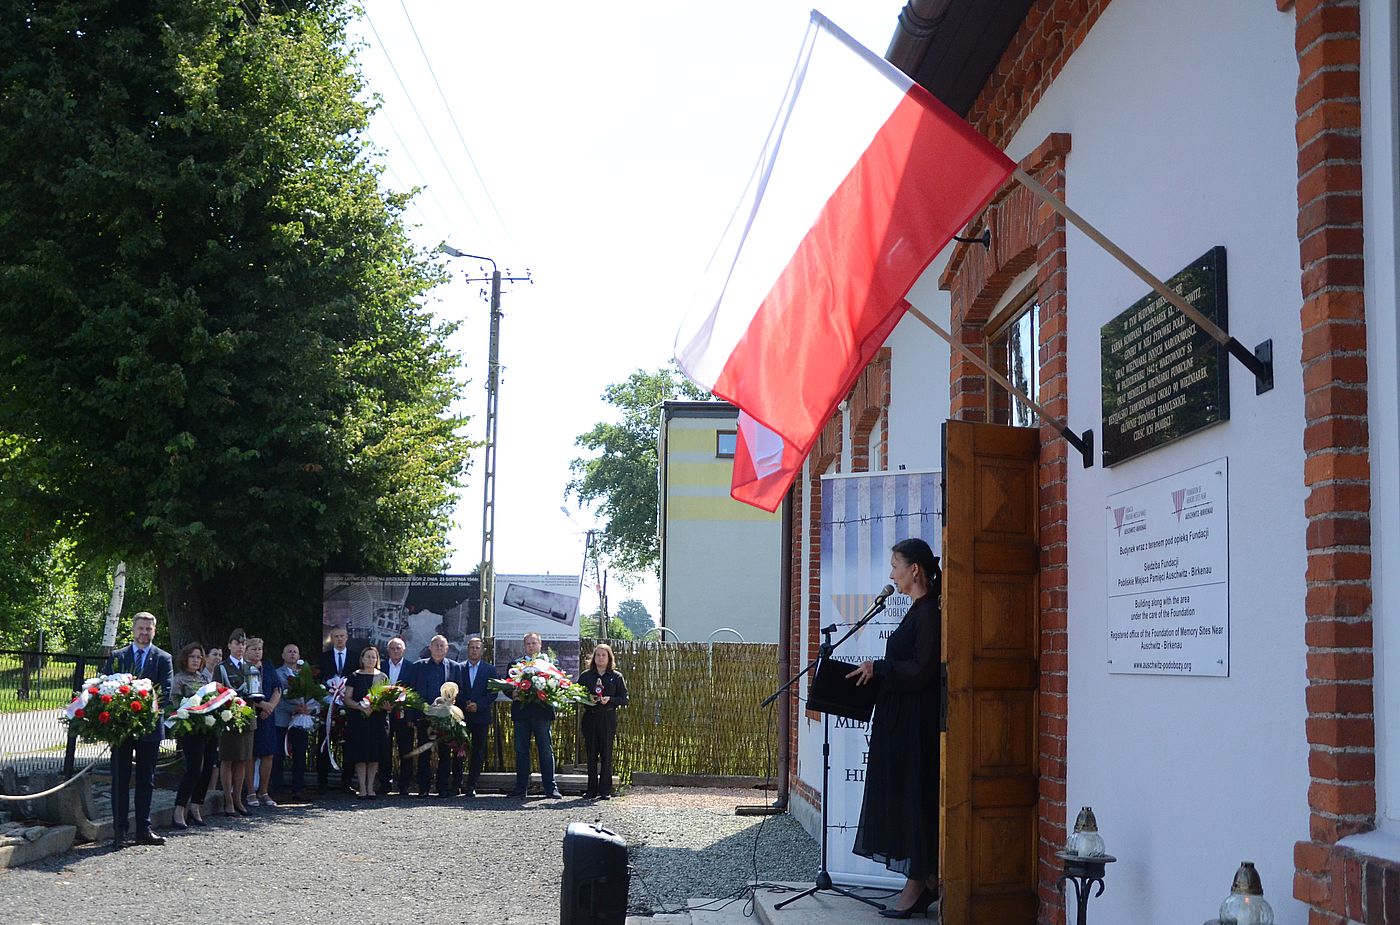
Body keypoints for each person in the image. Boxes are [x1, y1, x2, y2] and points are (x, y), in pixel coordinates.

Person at [847, 538, 942, 919]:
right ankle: (923, 879)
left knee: (915, 797)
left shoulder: (929, 611)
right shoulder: (917, 609)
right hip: (901, 720)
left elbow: (922, 669)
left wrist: (880, 667)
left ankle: (921, 881)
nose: (891, 574)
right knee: (903, 796)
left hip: (916, 725)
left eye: (895, 565)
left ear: (914, 569)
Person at [103, 611, 173, 849]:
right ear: (133, 630)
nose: (144, 633)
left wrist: (144, 711)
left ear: (154, 631)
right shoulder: (118, 656)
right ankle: (120, 831)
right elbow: (105, 687)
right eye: (141, 628)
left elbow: (165, 691)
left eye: (148, 629)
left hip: (150, 728)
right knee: (120, 779)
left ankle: (144, 829)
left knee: (146, 780)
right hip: (121, 729)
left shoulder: (163, 658)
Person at [509, 632, 561, 799]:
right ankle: (520, 788)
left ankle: (551, 788)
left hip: (542, 713)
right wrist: (513, 693)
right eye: (528, 644)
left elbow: (558, 684)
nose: (531, 646)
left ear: (540, 644)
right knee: (521, 751)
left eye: (534, 643)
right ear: (524, 646)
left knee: (545, 751)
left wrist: (548, 691)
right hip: (522, 714)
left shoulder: (549, 664)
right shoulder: (516, 664)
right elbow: (508, 685)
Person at [170, 642, 216, 829]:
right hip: (190, 729)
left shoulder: (204, 678)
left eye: (199, 657)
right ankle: (179, 808)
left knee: (208, 768)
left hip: (209, 728)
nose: (196, 660)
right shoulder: (178, 679)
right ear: (185, 658)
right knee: (194, 769)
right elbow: (174, 702)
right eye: (192, 657)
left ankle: (196, 806)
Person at [407, 634, 459, 798]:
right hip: (424, 717)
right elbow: (411, 692)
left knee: (445, 754)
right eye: (436, 645)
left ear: (447, 648)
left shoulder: (455, 667)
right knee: (424, 753)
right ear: (430, 648)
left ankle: (443, 787)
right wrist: (411, 716)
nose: (439, 648)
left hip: (446, 718)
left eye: (442, 645)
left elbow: (460, 690)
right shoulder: (418, 666)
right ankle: (423, 788)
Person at [578, 642, 628, 800]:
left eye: (603, 655)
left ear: (609, 658)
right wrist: (588, 698)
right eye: (598, 655)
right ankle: (591, 789)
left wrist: (610, 699)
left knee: (606, 753)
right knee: (591, 753)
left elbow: (624, 699)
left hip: (607, 717)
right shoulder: (586, 676)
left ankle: (605, 790)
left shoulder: (616, 677)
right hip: (590, 717)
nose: (600, 658)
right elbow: (576, 695)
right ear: (593, 657)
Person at [215, 629, 255, 817]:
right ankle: (228, 800)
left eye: (243, 644)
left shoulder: (250, 668)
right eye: (237, 643)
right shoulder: (222, 668)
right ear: (229, 645)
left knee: (242, 760)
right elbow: (216, 693)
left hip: (247, 718)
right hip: (229, 718)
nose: (240, 647)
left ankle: (238, 799)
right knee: (228, 759)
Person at [453, 636, 496, 798]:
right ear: (467, 649)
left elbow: (492, 693)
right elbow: (454, 690)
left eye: (477, 648)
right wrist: (465, 703)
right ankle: (456, 784)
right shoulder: (459, 668)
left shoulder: (489, 669)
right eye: (472, 647)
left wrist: (478, 705)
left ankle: (472, 785)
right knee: (459, 751)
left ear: (482, 651)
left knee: (478, 752)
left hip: (481, 716)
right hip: (461, 716)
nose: (474, 650)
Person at [343, 645, 388, 800]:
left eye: (373, 657)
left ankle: (370, 787)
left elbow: (386, 699)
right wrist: (360, 707)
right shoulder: (354, 676)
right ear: (362, 659)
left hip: (377, 720)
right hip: (359, 720)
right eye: (367, 656)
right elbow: (347, 699)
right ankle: (362, 787)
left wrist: (383, 706)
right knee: (360, 754)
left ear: (377, 660)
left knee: (374, 755)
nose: (370, 659)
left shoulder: (382, 677)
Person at [244, 637, 283, 808]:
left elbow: (277, 688)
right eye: (253, 649)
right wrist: (262, 705)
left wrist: (270, 707)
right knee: (251, 755)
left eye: (259, 649)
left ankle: (264, 791)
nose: (257, 652)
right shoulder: (244, 668)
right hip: (250, 714)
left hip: (268, 716)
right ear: (246, 651)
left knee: (268, 754)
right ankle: (250, 792)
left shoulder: (268, 667)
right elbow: (244, 692)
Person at [316, 626, 355, 794]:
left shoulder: (355, 657)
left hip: (347, 706)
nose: (339, 639)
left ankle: (346, 782)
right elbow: (318, 680)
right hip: (328, 706)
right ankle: (322, 782)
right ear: (332, 638)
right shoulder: (323, 658)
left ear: (347, 637)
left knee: (349, 744)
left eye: (342, 636)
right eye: (336, 636)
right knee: (324, 743)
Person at [378, 637, 416, 796]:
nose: (395, 651)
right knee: (383, 750)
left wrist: (411, 717)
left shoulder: (411, 668)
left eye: (398, 648)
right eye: (392, 648)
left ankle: (404, 785)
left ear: (404, 650)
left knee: (405, 750)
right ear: (388, 651)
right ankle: (384, 783)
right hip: (383, 714)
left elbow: (414, 692)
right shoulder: (380, 666)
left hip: (404, 716)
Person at [274, 644, 312, 799]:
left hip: (300, 719)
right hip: (282, 718)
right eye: (289, 652)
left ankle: (298, 788)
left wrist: (308, 707)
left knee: (300, 753)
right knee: (278, 754)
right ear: (283, 655)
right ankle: (277, 789)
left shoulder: (305, 674)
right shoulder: (278, 673)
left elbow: (310, 693)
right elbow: (277, 697)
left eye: (295, 652)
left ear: (299, 656)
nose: (292, 654)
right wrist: (293, 708)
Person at [200, 644, 224, 805]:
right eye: (214, 654)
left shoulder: (221, 675)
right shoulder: (201, 676)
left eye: (220, 655)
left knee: (215, 758)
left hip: (217, 721)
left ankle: (212, 789)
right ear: (206, 657)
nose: (218, 658)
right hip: (202, 721)